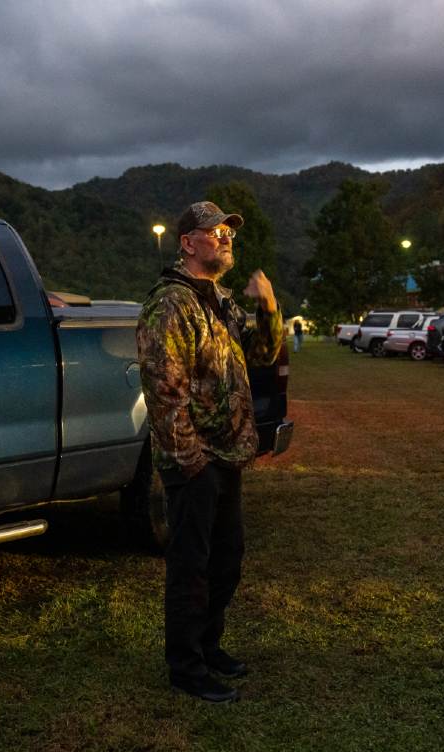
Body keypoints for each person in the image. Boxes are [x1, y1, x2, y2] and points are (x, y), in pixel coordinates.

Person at [137, 201, 283, 703]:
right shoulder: (171, 303)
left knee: (227, 558)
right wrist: (189, 460)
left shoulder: (217, 299)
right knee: (191, 565)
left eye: (229, 232)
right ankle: (185, 667)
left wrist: (267, 304)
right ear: (187, 242)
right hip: (194, 460)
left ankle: (207, 645)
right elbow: (163, 387)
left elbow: (262, 353)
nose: (225, 238)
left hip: (226, 453)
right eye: (214, 231)